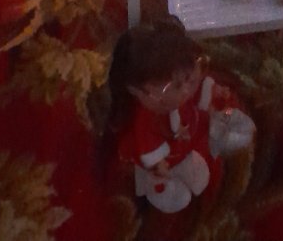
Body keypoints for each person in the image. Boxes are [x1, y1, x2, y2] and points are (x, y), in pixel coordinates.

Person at [108, 17, 253, 214]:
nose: (187, 90)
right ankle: (163, 187)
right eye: (176, 86)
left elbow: (201, 89)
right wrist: (159, 164)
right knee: (172, 189)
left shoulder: (184, 95)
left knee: (206, 158)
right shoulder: (146, 119)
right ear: (140, 91)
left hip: (187, 139)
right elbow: (148, 145)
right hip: (166, 160)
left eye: (190, 79)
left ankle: (199, 159)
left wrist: (215, 91)